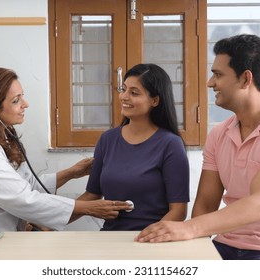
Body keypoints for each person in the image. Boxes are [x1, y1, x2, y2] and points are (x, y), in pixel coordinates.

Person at [135, 34, 260, 260]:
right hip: (226, 244)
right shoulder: (219, 134)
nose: (210, 83)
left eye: (218, 74)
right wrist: (194, 251)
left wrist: (189, 228)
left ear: (245, 79)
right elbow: (206, 204)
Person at [0, 67, 131, 231]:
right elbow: (23, 199)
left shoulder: (4, 138)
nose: (25, 104)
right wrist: (89, 208)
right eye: (16, 100)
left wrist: (71, 173)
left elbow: (24, 186)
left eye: (22, 97)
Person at [75, 63, 190, 230]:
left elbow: (178, 211)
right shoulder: (107, 139)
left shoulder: (170, 144)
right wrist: (49, 223)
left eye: (134, 93)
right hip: (110, 240)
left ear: (155, 100)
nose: (124, 96)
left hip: (152, 242)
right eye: (123, 89)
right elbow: (91, 195)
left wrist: (146, 239)